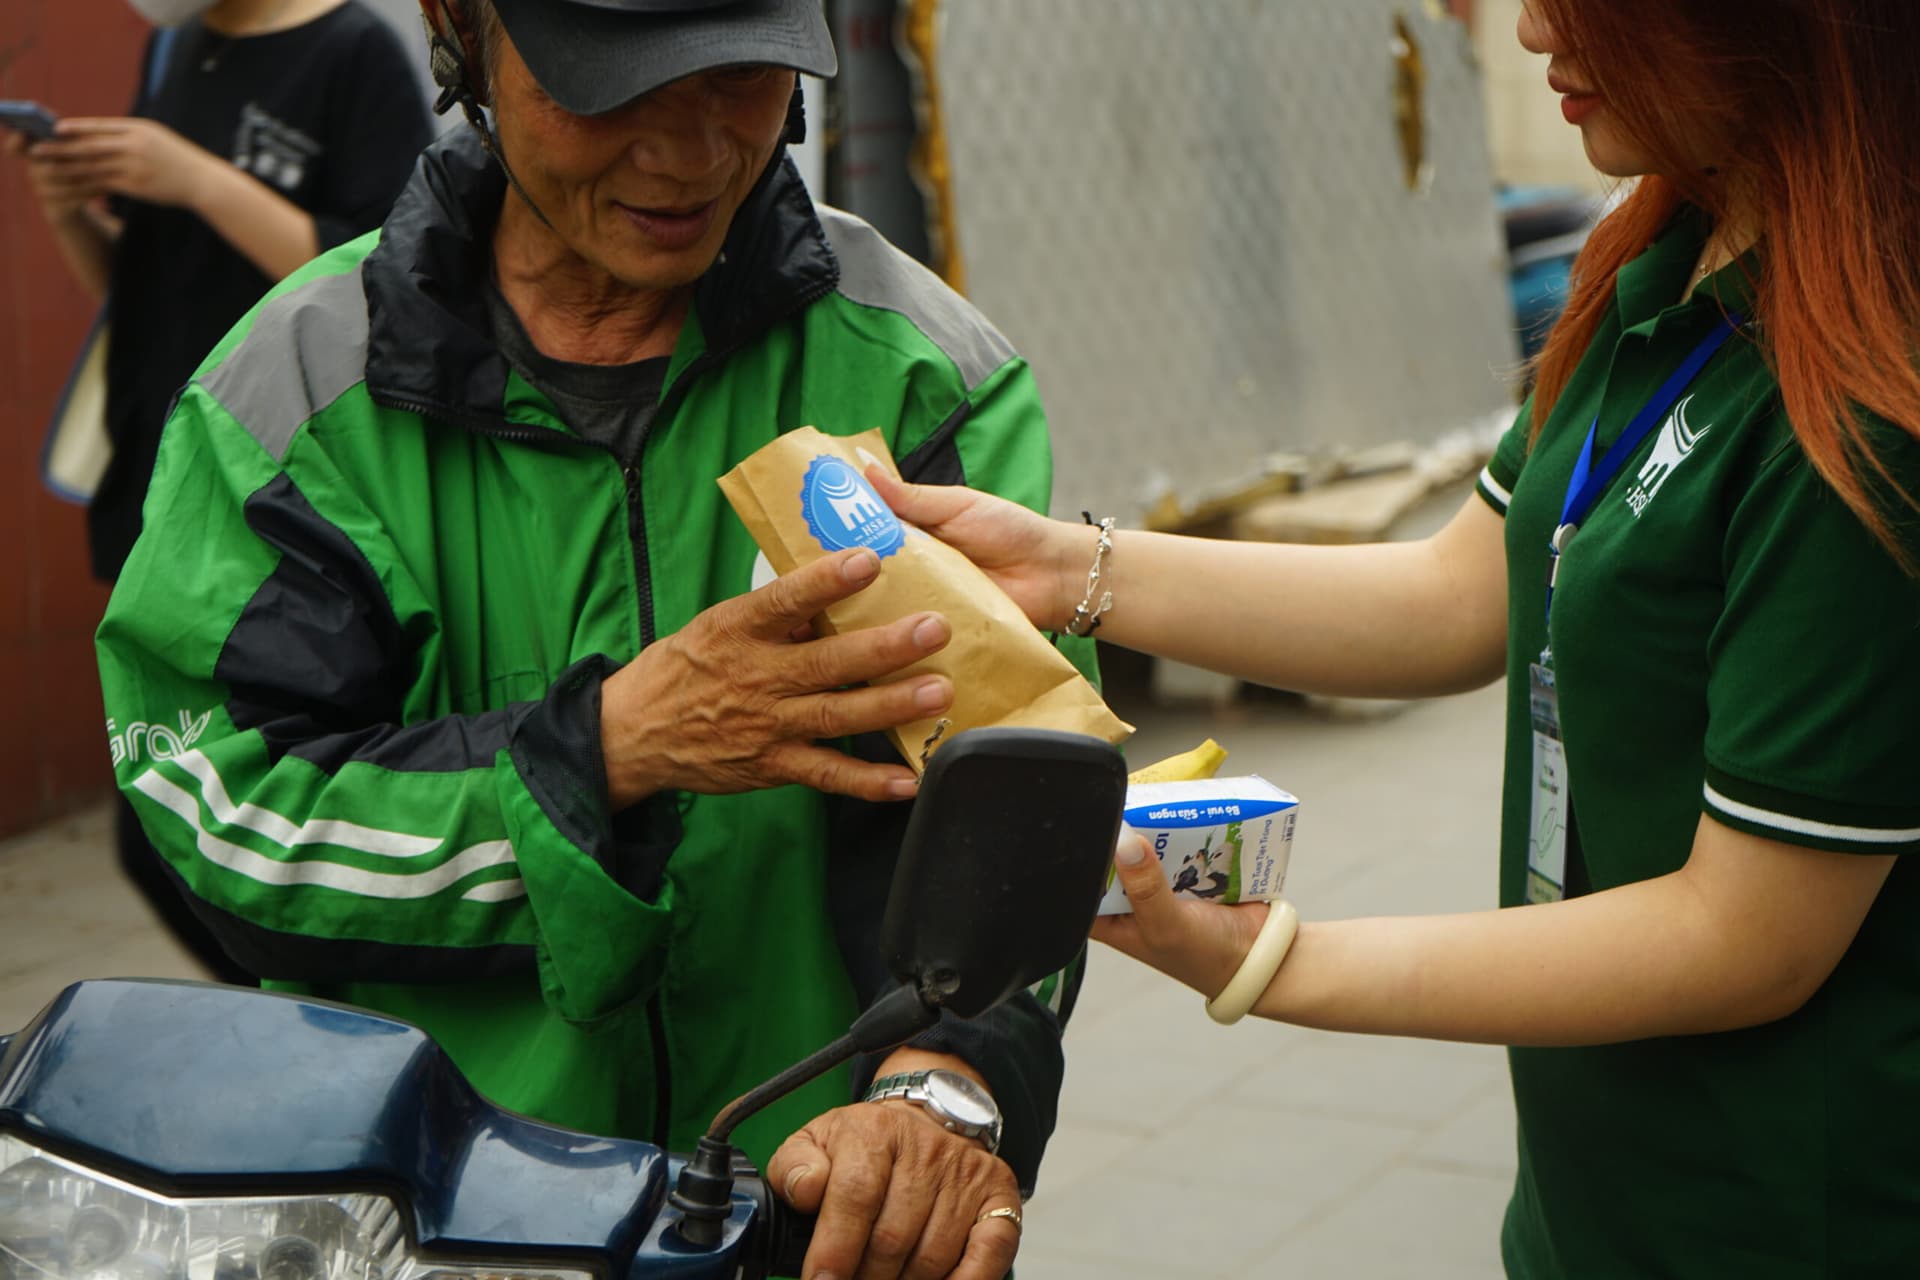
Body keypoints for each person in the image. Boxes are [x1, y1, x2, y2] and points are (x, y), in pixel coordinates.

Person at [873, 1, 1920, 1273]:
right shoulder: (1667, 255)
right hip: (1591, 1206)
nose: (1528, 30)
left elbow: (1744, 936)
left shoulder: (1865, 406)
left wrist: (1275, 960)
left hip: (1782, 1221)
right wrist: (1069, 567)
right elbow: (1460, 593)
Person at [92, 1, 1098, 1276]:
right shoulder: (290, 401)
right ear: (460, 29)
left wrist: (942, 1086)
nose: (686, 155)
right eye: (610, 87)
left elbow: (1020, 814)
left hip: (810, 1227)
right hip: (439, 1224)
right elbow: (224, 813)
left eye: (738, 76)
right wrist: (603, 751)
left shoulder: (921, 377)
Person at [12, 0, 433, 985]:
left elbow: (392, 284)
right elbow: (137, 291)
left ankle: (327, 1011)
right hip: (166, 484)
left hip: (288, 495)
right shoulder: (177, 49)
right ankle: (312, 1009)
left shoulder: (353, 51)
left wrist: (196, 178)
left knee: (224, 819)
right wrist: (71, 208)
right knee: (170, 823)